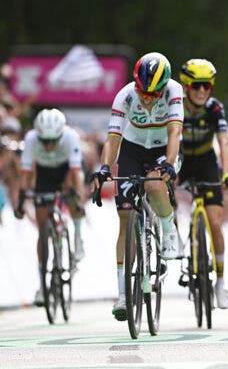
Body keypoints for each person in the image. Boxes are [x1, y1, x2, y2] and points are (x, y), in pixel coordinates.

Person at [90, 52, 184, 321]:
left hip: (163, 148)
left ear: (164, 87)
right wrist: (105, 167)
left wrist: (169, 163)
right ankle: (122, 295)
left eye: (154, 94)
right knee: (124, 219)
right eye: (144, 92)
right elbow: (113, 138)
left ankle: (168, 229)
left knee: (155, 186)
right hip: (133, 149)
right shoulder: (125, 96)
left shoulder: (174, 91)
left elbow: (175, 132)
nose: (146, 98)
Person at [176, 58, 228, 309]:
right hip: (180, 159)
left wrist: (227, 172)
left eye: (207, 86)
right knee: (161, 191)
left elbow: (224, 142)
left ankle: (221, 284)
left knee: (215, 222)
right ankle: (175, 237)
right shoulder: (175, 106)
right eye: (197, 86)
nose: (202, 91)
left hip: (205, 160)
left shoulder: (214, 108)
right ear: (186, 86)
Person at [14, 108, 86, 306]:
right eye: (44, 141)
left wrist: (78, 199)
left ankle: (78, 236)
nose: (48, 145)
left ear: (61, 135)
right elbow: (26, 173)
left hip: (66, 171)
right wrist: (21, 199)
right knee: (42, 226)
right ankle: (42, 284)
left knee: (72, 194)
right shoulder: (30, 139)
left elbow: (76, 173)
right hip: (45, 173)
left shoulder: (70, 137)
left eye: (53, 141)